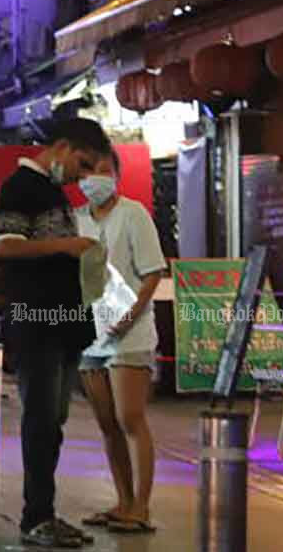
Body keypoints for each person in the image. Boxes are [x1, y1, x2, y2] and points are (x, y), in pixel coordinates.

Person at [0, 118, 112, 550]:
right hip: (36, 322)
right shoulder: (20, 186)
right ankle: (35, 516)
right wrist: (64, 247)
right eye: (81, 163)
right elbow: (3, 245)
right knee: (41, 421)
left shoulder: (55, 192)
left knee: (54, 421)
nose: (81, 176)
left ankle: (45, 512)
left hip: (62, 323)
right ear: (60, 147)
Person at [75, 151, 164, 536]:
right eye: (88, 171)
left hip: (129, 333)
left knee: (131, 417)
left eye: (104, 170)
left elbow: (152, 273)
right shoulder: (76, 220)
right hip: (90, 334)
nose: (96, 178)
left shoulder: (134, 214)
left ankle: (141, 507)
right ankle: (123, 501)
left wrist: (127, 318)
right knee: (108, 423)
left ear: (117, 174)